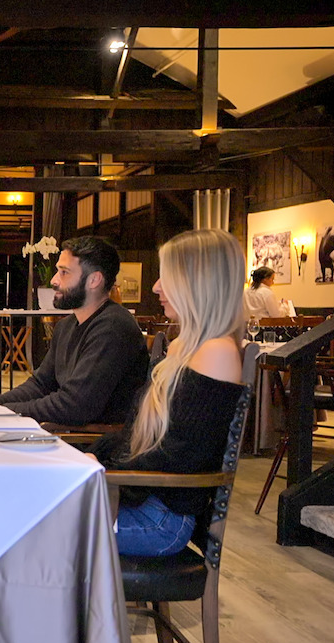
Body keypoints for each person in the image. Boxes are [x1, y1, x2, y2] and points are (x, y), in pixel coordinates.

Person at [88, 229, 247, 556]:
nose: (156, 286)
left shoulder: (217, 353)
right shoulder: (184, 348)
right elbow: (139, 435)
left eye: (167, 276)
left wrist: (105, 471)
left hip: (159, 522)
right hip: (142, 503)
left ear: (198, 282)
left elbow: (180, 454)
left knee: (27, 527)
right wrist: (93, 458)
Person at [0, 236, 148, 426]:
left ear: (94, 280)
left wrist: (4, 412)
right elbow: (40, 385)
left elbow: (74, 406)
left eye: (64, 272)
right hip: (68, 435)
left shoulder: (114, 327)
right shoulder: (66, 326)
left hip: (92, 445)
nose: (54, 280)